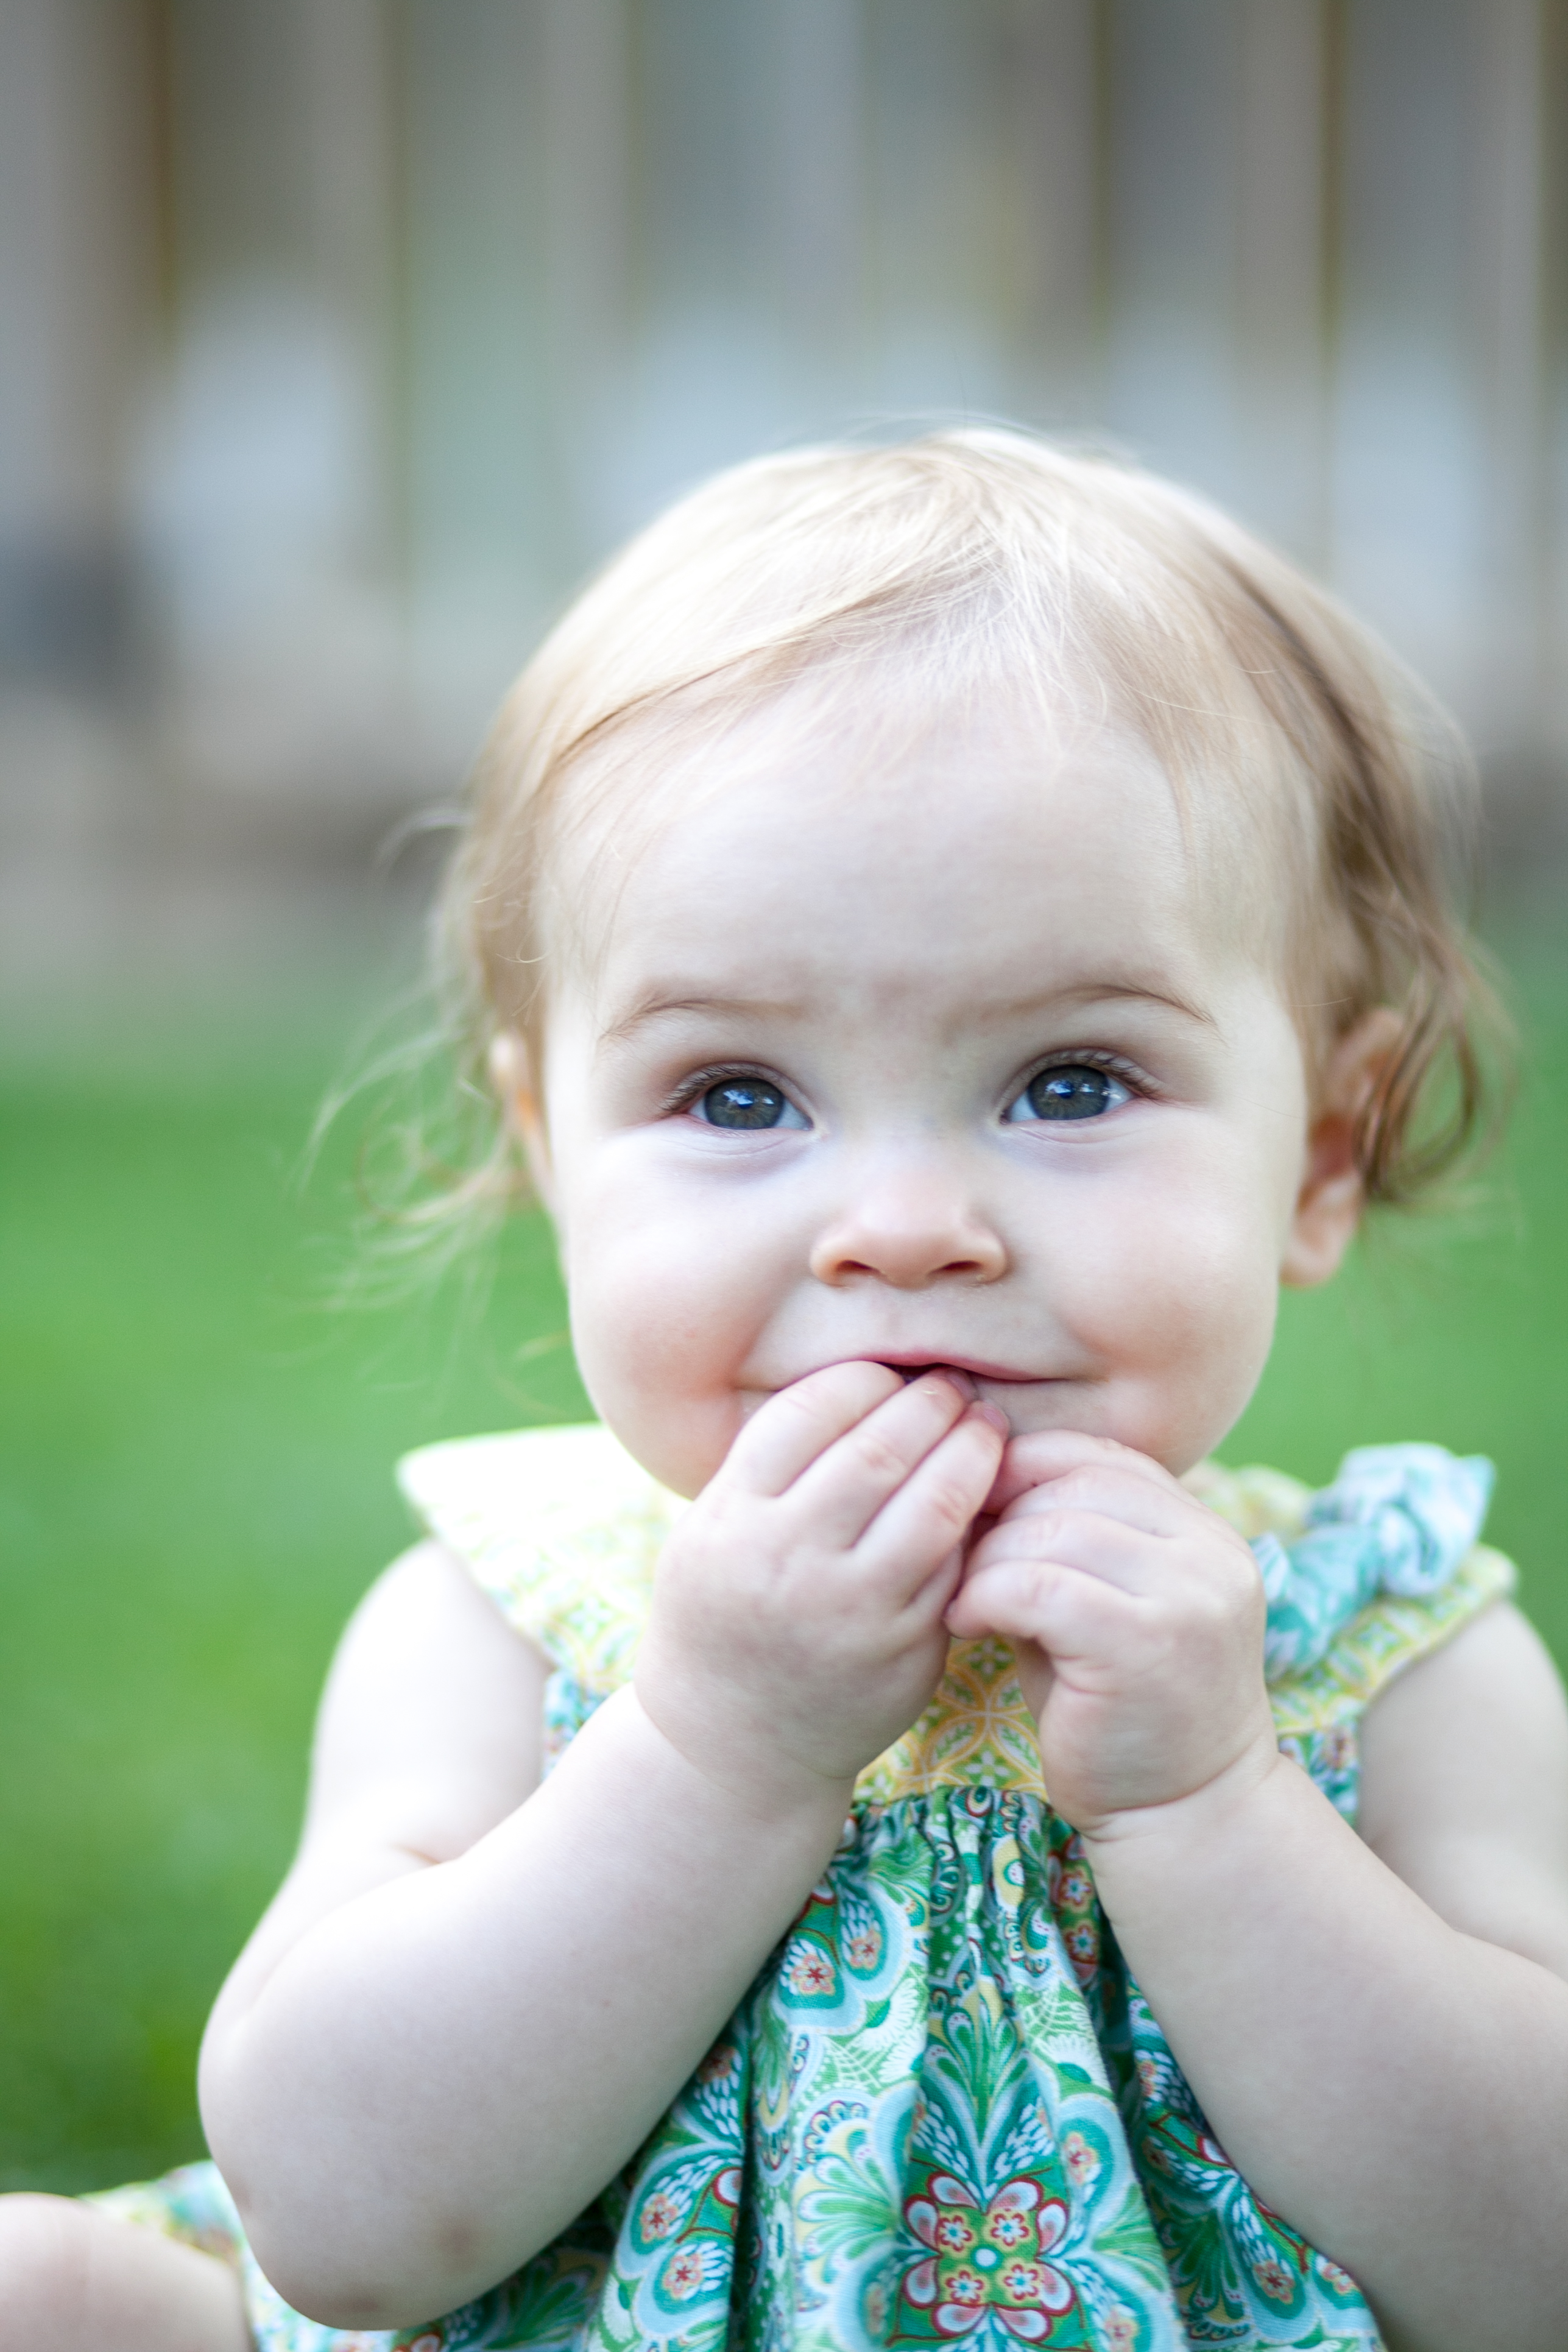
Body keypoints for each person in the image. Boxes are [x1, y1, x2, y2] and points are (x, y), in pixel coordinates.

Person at [15, 430, 1568, 2352]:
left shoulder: (1395, 1659)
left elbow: (1533, 2271)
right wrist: (711, 1747)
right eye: (737, 1095)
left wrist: (1213, 1801)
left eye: (1072, 1081)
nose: (902, 1228)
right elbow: (334, 2215)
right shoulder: (508, 1627)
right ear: (556, 1152)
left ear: (1323, 1151)